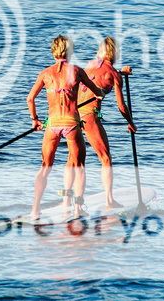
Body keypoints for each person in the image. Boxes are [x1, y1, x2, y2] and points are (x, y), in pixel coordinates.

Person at [26, 35, 104, 221]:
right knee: (79, 166)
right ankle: (77, 208)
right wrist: (100, 94)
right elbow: (96, 91)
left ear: (53, 52)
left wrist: (35, 120)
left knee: (45, 167)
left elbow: (30, 99)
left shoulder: (45, 74)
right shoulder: (77, 71)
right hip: (71, 124)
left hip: (52, 124)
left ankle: (35, 210)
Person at [76, 36, 137, 209]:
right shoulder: (114, 75)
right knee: (105, 159)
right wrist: (131, 122)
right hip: (89, 116)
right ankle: (109, 201)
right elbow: (121, 106)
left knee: (76, 159)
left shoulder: (90, 66)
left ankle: (72, 202)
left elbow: (99, 77)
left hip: (73, 114)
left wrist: (120, 73)